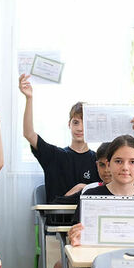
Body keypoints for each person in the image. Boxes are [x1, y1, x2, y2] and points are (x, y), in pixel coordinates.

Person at [55, 136, 134, 268]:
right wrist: (76, 239)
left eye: (132, 162)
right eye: (118, 161)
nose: (125, 167)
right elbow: (78, 240)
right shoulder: (91, 196)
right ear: (108, 164)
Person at [19, 73, 98, 204]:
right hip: (58, 220)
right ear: (69, 124)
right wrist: (29, 98)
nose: (80, 128)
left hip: (87, 221)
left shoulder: (98, 160)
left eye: (86, 123)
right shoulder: (55, 156)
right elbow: (29, 134)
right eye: (76, 122)